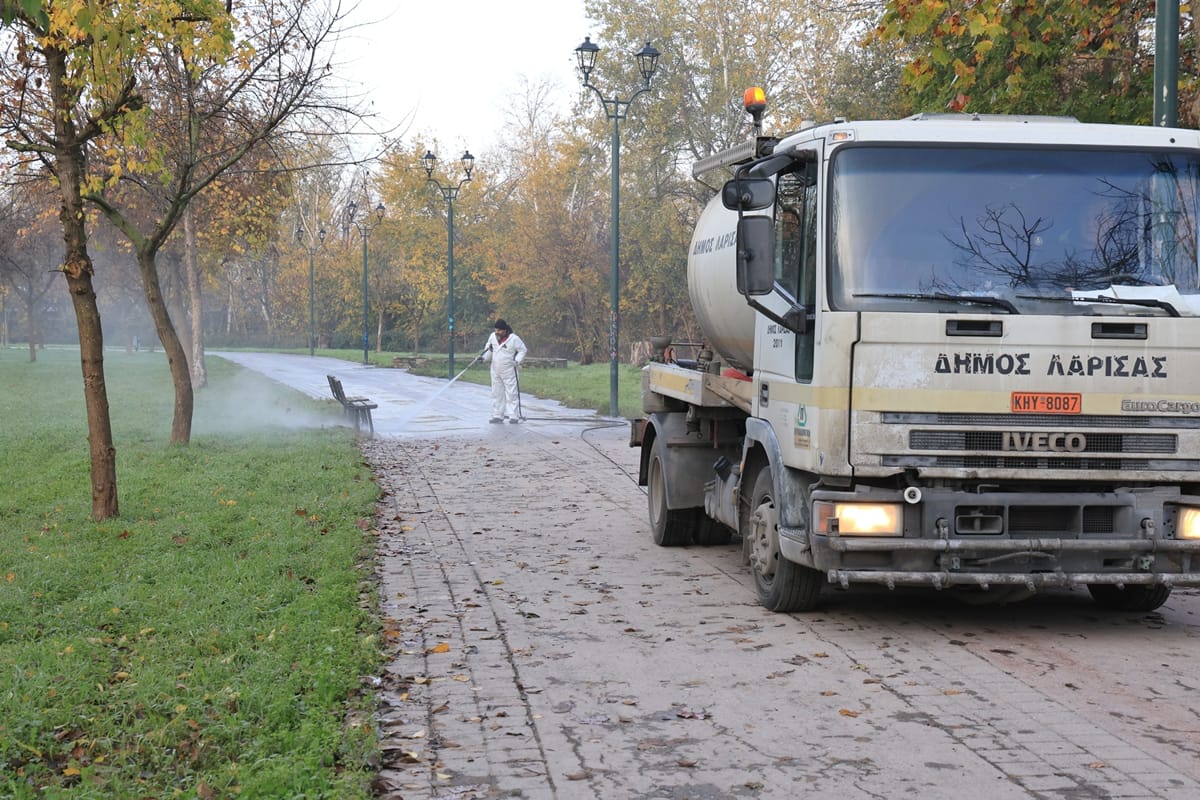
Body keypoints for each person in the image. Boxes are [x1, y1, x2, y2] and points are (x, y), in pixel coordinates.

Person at [481, 318, 527, 423]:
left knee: (511, 393)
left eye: (499, 330)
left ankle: (514, 416)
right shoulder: (492, 337)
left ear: (505, 330)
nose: (497, 332)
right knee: (497, 393)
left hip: (509, 370)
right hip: (495, 370)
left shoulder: (514, 339)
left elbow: (523, 350)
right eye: (496, 330)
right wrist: (484, 358)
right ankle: (498, 415)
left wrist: (517, 361)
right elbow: (488, 350)